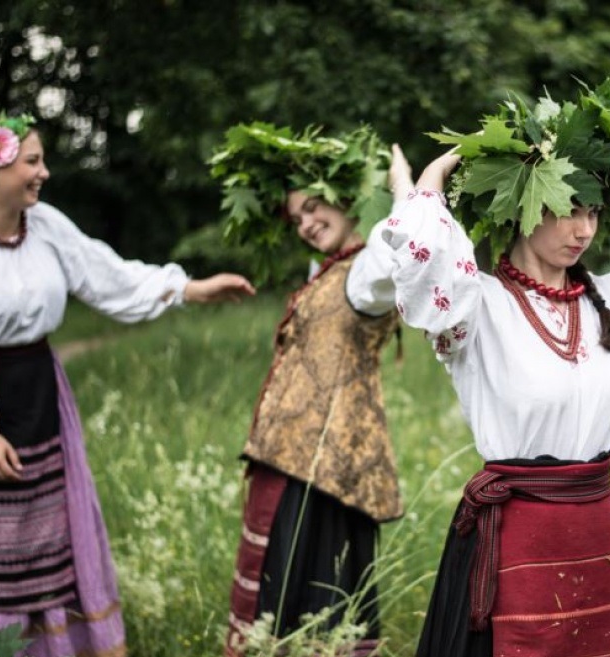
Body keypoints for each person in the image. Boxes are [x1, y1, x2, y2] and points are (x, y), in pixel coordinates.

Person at [347, 65, 610, 657]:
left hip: (599, 537)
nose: (583, 229)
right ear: (525, 203)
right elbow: (422, 257)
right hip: (517, 548)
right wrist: (434, 175)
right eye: (567, 208)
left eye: (593, 210)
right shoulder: (476, 306)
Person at [0, 111, 255, 657]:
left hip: (40, 394)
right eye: (32, 161)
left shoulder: (45, 225)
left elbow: (107, 275)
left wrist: (191, 289)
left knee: (44, 539)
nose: (44, 172)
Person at [216, 124, 401, 657]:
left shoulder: (367, 272)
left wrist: (404, 186)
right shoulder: (330, 268)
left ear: (346, 199)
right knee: (281, 602)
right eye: (296, 217)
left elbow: (398, 255)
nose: (306, 223)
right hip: (291, 458)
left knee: (317, 604)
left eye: (315, 207)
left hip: (330, 470)